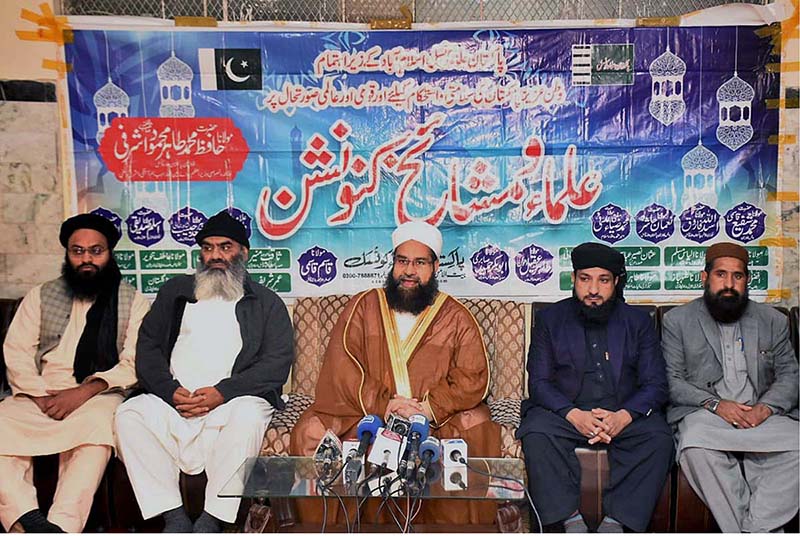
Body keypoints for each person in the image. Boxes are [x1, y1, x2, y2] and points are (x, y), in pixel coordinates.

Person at [289, 220, 501, 525]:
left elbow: (472, 376)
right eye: (402, 261)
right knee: (310, 431)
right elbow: (342, 362)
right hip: (367, 413)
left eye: (419, 262)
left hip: (433, 417)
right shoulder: (363, 306)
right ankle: (329, 529)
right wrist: (384, 404)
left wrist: (428, 409)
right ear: (393, 264)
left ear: (435, 266)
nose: (409, 271)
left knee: (475, 425)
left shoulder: (457, 317)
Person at [114, 211, 294, 533]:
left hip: (233, 402)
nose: (215, 256)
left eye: (225, 247)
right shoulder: (176, 292)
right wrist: (169, 391)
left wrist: (222, 393)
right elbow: (149, 348)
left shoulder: (266, 303)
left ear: (244, 253)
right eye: (208, 248)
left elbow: (276, 363)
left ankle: (213, 520)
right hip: (176, 401)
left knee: (250, 416)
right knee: (128, 414)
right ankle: (174, 516)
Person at [0, 213, 149, 532]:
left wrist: (85, 391)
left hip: (99, 392)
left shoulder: (132, 300)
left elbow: (134, 361)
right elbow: (16, 351)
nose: (87, 259)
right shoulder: (42, 295)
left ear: (109, 253)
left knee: (97, 430)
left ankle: (63, 526)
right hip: (39, 392)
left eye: (96, 251)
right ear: (67, 254)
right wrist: (40, 397)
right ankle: (29, 521)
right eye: (77, 251)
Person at [516, 242, 673, 532]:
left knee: (659, 438)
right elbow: (538, 382)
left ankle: (616, 521)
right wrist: (574, 415)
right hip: (567, 413)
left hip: (622, 414)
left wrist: (623, 416)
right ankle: (569, 519)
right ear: (573, 280)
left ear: (615, 283)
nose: (593, 290)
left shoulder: (638, 322)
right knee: (536, 432)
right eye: (585, 279)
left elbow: (656, 384)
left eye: (603, 280)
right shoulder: (551, 320)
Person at [662, 242, 799, 532]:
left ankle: (752, 528)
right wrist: (716, 405)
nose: (729, 284)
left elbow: (790, 375)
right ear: (705, 277)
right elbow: (672, 381)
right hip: (708, 415)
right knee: (694, 447)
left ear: (747, 280)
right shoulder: (679, 320)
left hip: (761, 417)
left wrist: (765, 408)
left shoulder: (773, 320)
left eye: (737, 276)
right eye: (721, 275)